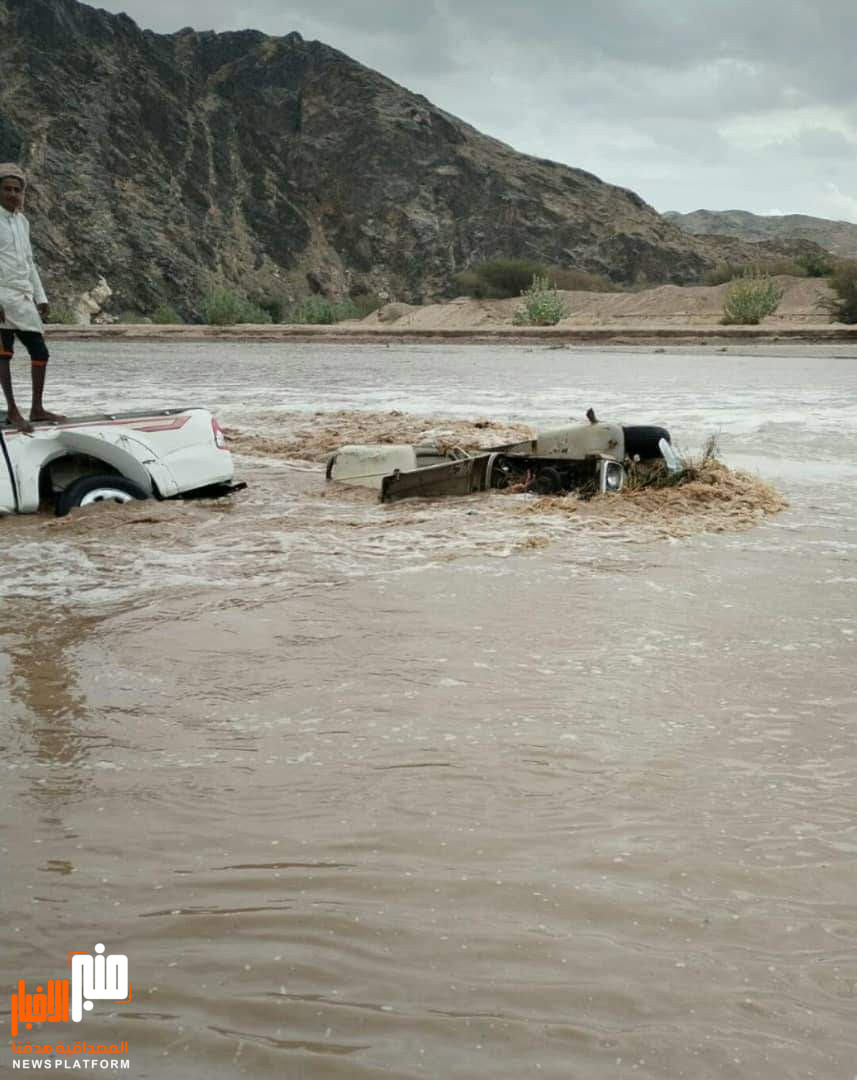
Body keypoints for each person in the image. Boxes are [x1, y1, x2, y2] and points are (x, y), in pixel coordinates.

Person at [0, 162, 64, 432]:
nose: (13, 194)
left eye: (17, 190)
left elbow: (29, 262)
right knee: (4, 355)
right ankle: (13, 410)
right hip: (1, 296)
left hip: (23, 296)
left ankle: (36, 408)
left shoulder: (22, 222)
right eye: (7, 189)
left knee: (40, 352)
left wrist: (41, 296)